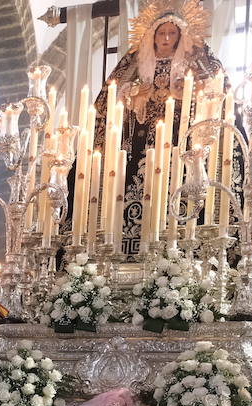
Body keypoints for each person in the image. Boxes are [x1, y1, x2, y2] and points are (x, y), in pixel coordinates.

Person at [95, 1, 224, 258]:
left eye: (172, 33)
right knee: (133, 191)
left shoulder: (198, 57)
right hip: (140, 142)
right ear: (152, 34)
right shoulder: (133, 60)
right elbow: (106, 100)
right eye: (161, 33)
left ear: (181, 35)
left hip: (180, 140)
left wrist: (192, 93)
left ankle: (180, 247)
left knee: (176, 188)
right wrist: (134, 93)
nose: (166, 38)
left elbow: (218, 89)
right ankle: (124, 246)